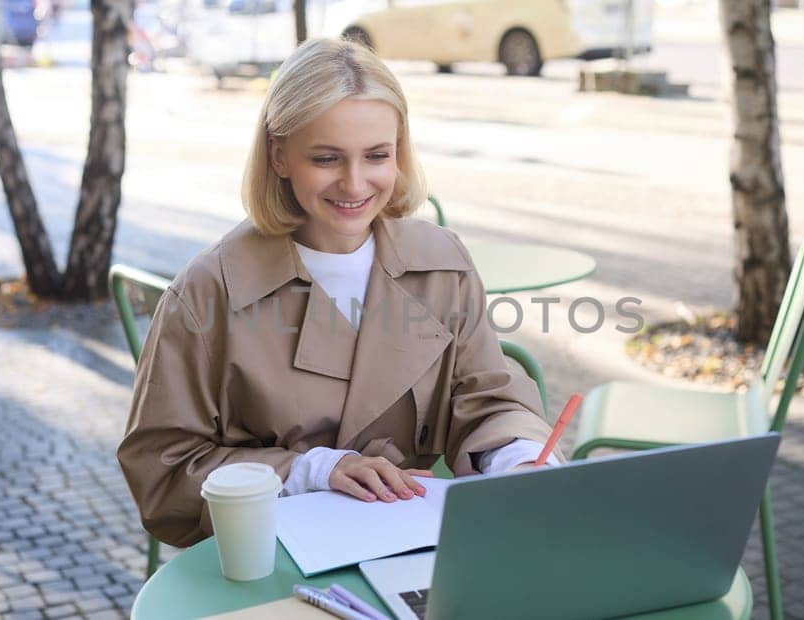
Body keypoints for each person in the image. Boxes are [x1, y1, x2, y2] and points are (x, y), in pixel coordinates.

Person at [116, 38, 561, 549]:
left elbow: (485, 397)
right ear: (279, 155)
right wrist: (311, 471)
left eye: (377, 156)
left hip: (407, 540)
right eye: (326, 158)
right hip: (266, 553)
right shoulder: (209, 289)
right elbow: (162, 471)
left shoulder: (443, 262)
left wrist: (516, 457)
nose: (354, 184)